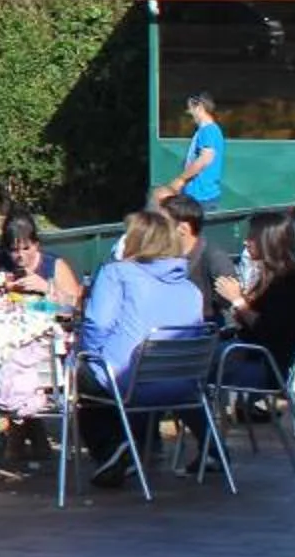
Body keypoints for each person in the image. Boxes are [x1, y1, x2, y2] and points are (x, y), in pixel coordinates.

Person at [77, 207, 210, 491]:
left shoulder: (117, 273)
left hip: (133, 383)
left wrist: (89, 356)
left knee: (81, 373)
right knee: (100, 374)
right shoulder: (191, 288)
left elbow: (96, 325)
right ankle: (124, 447)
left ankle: (112, 449)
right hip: (185, 387)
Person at [219, 210, 295, 379]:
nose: (246, 242)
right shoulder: (268, 275)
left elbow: (268, 330)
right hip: (253, 354)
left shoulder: (286, 281)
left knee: (200, 366)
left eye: (252, 237)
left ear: (270, 241)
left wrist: (238, 301)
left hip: (268, 365)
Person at [0, 210, 84, 315]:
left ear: (36, 244)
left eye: (26, 249)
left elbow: (77, 305)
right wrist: (0, 294)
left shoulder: (54, 265)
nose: (20, 255)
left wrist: (47, 288)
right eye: (14, 250)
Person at [160, 92, 227, 210]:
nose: (189, 112)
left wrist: (181, 179)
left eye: (190, 108)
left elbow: (205, 159)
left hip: (201, 198)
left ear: (200, 107)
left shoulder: (209, 130)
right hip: (197, 196)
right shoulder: (204, 131)